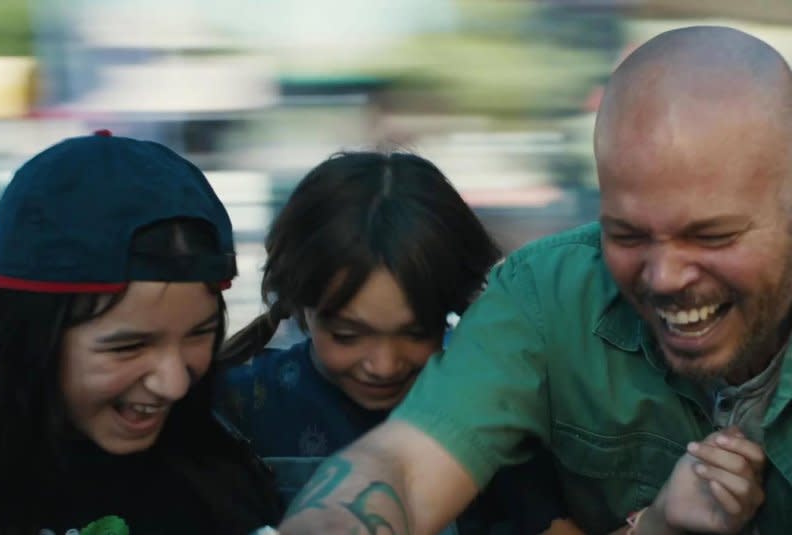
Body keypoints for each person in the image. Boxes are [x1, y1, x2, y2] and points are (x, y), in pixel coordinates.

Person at [277, 26, 792, 535]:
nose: (664, 276)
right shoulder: (544, 297)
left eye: (711, 236)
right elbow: (407, 466)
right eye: (627, 235)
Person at [216, 151, 578, 535]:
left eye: (417, 332)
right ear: (297, 303)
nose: (384, 365)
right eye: (348, 336)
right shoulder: (237, 410)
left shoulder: (489, 414)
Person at [0, 132, 280, 535]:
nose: (174, 384)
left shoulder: (224, 480)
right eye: (129, 346)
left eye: (200, 334)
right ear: (28, 339)